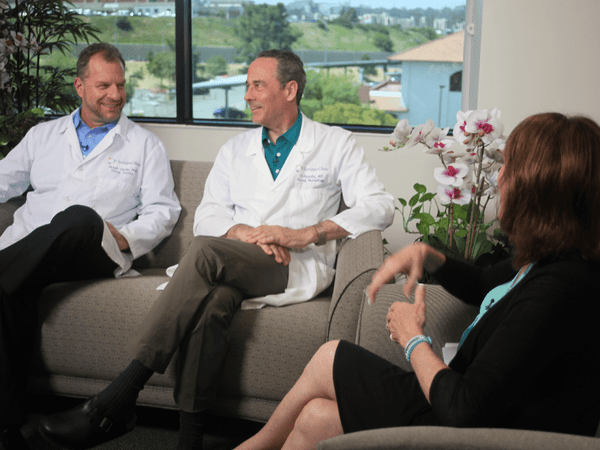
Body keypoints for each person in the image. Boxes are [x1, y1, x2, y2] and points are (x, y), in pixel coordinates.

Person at [38, 49, 395, 450]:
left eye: (257, 85)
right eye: (247, 86)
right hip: (239, 262)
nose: (247, 95)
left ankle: (122, 393)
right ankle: (189, 440)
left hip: (292, 264)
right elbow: (206, 217)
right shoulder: (234, 150)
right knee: (213, 304)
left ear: (290, 89)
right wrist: (243, 232)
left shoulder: (335, 143)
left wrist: (305, 234)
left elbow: (381, 206)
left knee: (206, 253)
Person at [231, 112, 600, 450]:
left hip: (478, 431)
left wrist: (413, 339)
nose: (499, 177)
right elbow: (485, 283)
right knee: (314, 417)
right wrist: (428, 257)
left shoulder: (559, 289)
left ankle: (253, 446)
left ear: (540, 193)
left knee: (330, 358)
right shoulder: (551, 261)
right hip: (466, 409)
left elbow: (464, 409)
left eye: (511, 169)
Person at [0, 43, 181, 450]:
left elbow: (163, 211)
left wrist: (126, 236)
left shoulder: (144, 145)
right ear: (79, 86)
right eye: (104, 85)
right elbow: (2, 182)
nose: (115, 94)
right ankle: (8, 430)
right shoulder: (42, 135)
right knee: (8, 292)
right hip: (29, 250)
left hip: (95, 249)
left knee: (80, 216)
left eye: (120, 84)